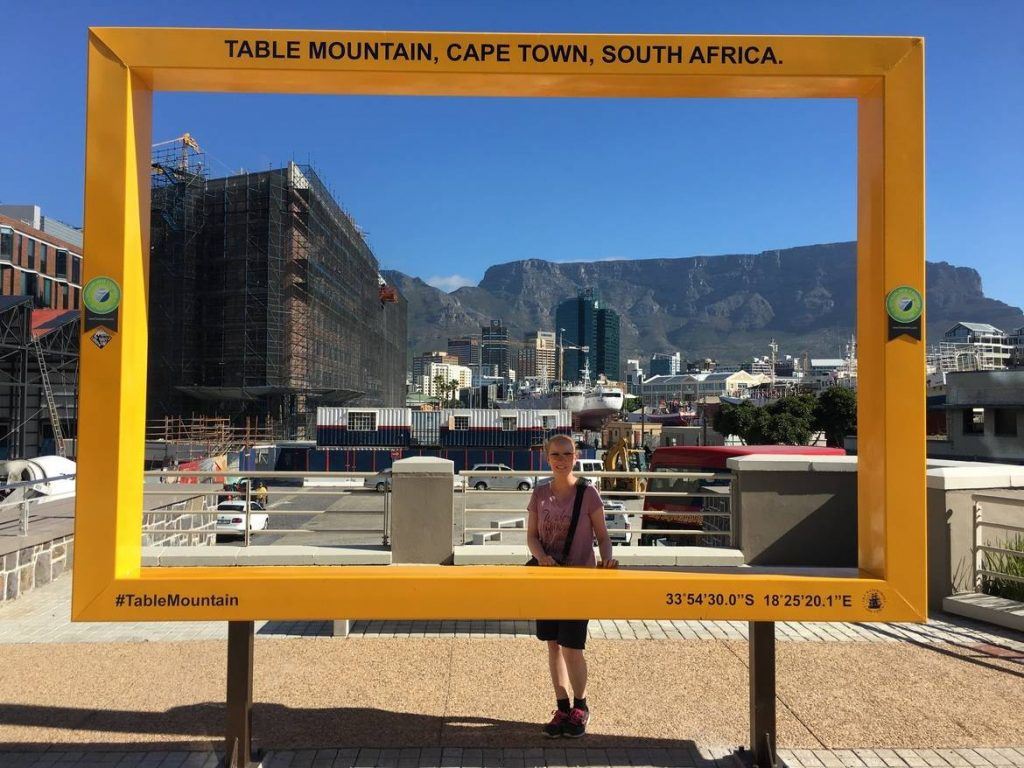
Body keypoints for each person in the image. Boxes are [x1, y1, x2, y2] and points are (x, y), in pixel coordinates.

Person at [526, 434, 618, 739]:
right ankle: (562, 707)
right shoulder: (539, 494)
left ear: (575, 456)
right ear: (547, 457)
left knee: (573, 647)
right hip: (548, 578)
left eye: (567, 454)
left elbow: (603, 536)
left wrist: (607, 560)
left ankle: (581, 706)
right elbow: (531, 537)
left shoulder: (588, 493)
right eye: (556, 454)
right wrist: (541, 559)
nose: (561, 460)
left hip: (579, 579)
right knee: (553, 645)